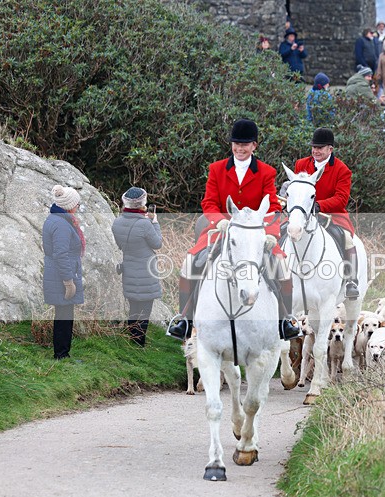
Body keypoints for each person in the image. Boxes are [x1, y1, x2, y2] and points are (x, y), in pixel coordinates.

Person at [167, 119, 299, 341]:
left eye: (245, 144)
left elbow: (273, 206)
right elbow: (209, 202)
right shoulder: (216, 169)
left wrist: (271, 233)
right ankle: (185, 319)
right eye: (236, 143)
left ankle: (285, 321)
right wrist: (219, 220)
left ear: (254, 146)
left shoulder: (266, 172)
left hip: (256, 231)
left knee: (282, 266)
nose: (239, 148)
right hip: (222, 229)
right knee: (190, 262)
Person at [293, 128, 360, 299]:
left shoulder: (342, 170)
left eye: (320, 148)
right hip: (304, 213)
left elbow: (341, 199)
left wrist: (319, 205)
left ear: (330, 149)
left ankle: (351, 281)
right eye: (314, 147)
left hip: (332, 214)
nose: (316, 151)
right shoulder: (301, 164)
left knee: (347, 239)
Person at [111, 187, 162, 347]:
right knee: (144, 312)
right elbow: (157, 243)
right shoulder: (145, 224)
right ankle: (139, 344)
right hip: (146, 273)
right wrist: (155, 223)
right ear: (142, 203)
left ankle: (132, 341)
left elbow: (120, 245)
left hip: (129, 270)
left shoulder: (117, 223)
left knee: (133, 308)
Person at [43, 185, 85, 360]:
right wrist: (68, 281)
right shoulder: (61, 224)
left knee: (63, 314)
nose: (78, 207)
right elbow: (61, 254)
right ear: (69, 205)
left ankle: (62, 353)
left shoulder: (57, 219)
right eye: (77, 204)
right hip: (61, 276)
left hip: (57, 274)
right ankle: (61, 355)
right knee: (64, 316)